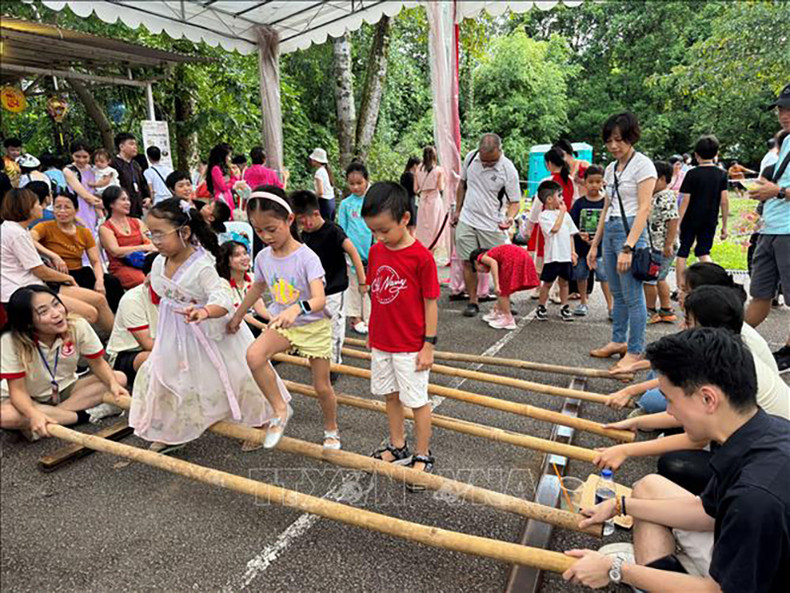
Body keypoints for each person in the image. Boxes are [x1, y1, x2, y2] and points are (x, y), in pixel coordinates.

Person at [564, 328, 790, 593]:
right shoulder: (761, 430)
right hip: (757, 553)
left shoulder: (755, 499)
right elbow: (706, 512)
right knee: (648, 487)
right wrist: (619, 505)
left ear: (708, 398)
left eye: (670, 400)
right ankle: (663, 576)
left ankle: (662, 578)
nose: (669, 410)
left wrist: (616, 569)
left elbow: (717, 591)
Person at [129, 198, 285, 454]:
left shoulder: (203, 265)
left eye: (160, 233)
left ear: (185, 232)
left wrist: (204, 311)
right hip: (175, 331)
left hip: (211, 330)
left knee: (235, 374)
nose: (155, 240)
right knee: (167, 372)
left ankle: (259, 422)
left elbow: (222, 298)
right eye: (151, 233)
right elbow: (163, 288)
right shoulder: (159, 261)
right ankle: (171, 428)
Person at [596, 286, 789, 486]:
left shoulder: (721, 367)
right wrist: (637, 420)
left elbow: (696, 438)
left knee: (674, 462)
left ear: (706, 324)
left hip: (764, 460)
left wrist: (627, 450)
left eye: (688, 320)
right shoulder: (727, 347)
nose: (682, 325)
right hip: (764, 441)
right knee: (675, 407)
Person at [229, 190, 337, 450]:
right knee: (254, 356)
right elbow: (256, 288)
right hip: (283, 324)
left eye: (271, 229)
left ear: (289, 220)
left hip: (312, 325)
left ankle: (331, 428)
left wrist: (297, 309)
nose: (265, 237)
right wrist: (237, 316)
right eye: (258, 230)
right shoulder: (264, 257)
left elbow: (320, 300)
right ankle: (280, 408)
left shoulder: (306, 257)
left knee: (321, 386)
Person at [362, 182, 439, 483]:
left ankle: (422, 453)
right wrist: (372, 329)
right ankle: (397, 445)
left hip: (410, 345)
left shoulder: (421, 258)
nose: (379, 237)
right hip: (382, 343)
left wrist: (428, 345)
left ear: (405, 219)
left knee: (417, 401)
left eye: (384, 230)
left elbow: (431, 304)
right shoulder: (377, 252)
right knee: (390, 396)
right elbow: (374, 294)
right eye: (374, 231)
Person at [0, 286, 128, 439]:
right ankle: (83, 416)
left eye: (56, 304)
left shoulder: (77, 325)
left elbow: (98, 364)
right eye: (43, 311)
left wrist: (113, 384)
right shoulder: (11, 341)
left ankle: (48, 420)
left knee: (118, 378)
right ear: (28, 322)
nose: (56, 313)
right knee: (5, 416)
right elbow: (18, 391)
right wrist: (32, 413)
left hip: (66, 388)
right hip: (27, 398)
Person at [587, 112, 656, 374]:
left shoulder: (643, 165)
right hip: (612, 229)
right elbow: (607, 207)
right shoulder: (610, 168)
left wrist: (629, 246)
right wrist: (594, 245)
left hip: (631, 236)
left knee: (633, 297)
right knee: (617, 294)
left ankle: (635, 351)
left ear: (631, 137)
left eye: (619, 140)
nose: (614, 145)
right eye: (609, 141)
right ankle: (618, 341)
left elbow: (643, 208)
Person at [0, 188, 114, 333]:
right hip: (25, 290)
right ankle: (72, 348)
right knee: (90, 313)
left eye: (67, 207)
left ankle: (116, 343)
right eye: (38, 204)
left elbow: (95, 260)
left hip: (40, 283)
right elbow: (40, 270)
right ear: (26, 207)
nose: (42, 207)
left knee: (99, 299)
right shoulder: (18, 233)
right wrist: (67, 277)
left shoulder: (18, 230)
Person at [291, 190, 367, 369]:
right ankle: (317, 355)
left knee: (334, 326)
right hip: (315, 291)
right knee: (316, 324)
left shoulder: (333, 231)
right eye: (299, 223)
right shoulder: (306, 235)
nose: (303, 226)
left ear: (315, 214)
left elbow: (353, 252)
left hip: (335, 289)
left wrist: (362, 281)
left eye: (304, 221)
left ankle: (334, 362)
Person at [746, 82, 790, 373]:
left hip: (788, 231)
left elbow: (782, 189)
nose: (784, 114)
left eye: (789, 109)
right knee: (760, 293)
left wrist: (777, 192)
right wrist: (762, 187)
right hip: (770, 227)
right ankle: (730, 336)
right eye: (781, 109)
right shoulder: (785, 141)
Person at [453, 133, 521, 318]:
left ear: (500, 151)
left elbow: (515, 201)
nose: (486, 164)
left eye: (491, 162)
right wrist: (457, 210)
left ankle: (505, 299)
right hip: (468, 218)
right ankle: (472, 301)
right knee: (467, 260)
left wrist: (510, 218)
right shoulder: (471, 158)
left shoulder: (508, 170)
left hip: (492, 223)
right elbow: (463, 184)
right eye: (484, 160)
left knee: (500, 263)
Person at [31, 191, 123, 314]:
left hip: (80, 271)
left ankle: (115, 319)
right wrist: (53, 255)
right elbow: (29, 239)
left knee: (112, 282)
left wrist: (99, 281)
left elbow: (95, 261)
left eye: (67, 207)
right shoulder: (44, 227)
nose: (62, 211)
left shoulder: (84, 232)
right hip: (58, 275)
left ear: (76, 210)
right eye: (58, 207)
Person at [675, 135, 729, 289]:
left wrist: (678, 223)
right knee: (703, 252)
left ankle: (681, 287)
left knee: (682, 252)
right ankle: (714, 283)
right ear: (716, 154)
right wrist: (724, 226)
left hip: (690, 219)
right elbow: (724, 201)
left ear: (696, 155)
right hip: (710, 219)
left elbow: (685, 200)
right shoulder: (721, 174)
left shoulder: (691, 174)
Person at [105, 253, 159, 389]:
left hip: (163, 345)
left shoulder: (178, 296)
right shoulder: (133, 300)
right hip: (128, 353)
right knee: (155, 359)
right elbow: (147, 343)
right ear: (149, 276)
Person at [569, 165, 610, 317]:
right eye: (591, 181)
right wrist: (580, 234)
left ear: (603, 182)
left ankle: (611, 306)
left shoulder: (607, 203)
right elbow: (572, 225)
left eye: (598, 181)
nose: (595, 185)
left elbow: (609, 223)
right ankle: (583, 302)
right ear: (584, 182)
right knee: (581, 275)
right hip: (581, 249)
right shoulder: (579, 203)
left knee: (604, 276)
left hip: (601, 248)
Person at [535, 180, 578, 322]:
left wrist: (572, 252)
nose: (562, 199)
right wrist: (562, 213)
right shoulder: (544, 215)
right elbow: (554, 229)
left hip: (565, 255)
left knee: (564, 282)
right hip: (552, 256)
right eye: (559, 196)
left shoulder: (565, 215)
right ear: (549, 199)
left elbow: (571, 234)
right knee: (547, 283)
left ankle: (564, 307)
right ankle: (541, 306)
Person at [338, 161, 373, 335]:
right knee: (353, 285)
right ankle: (355, 317)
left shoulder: (373, 200)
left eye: (359, 183)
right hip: (353, 253)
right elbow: (341, 230)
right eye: (352, 184)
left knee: (369, 285)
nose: (356, 187)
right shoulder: (346, 204)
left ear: (367, 180)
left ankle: (369, 317)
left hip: (371, 251)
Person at [99, 186, 157, 290]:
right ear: (111, 204)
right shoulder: (106, 228)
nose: (128, 203)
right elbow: (115, 251)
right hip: (121, 267)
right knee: (143, 279)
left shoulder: (137, 222)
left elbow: (150, 242)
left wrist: (147, 246)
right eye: (123, 200)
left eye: (128, 200)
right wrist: (143, 247)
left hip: (143, 262)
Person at [469, 244, 538, 330]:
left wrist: (496, 285)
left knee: (502, 291)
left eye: (476, 269)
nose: (481, 272)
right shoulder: (493, 253)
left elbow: (493, 263)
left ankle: (507, 319)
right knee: (505, 289)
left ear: (476, 262)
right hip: (522, 255)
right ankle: (499, 311)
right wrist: (498, 303)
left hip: (513, 259)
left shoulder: (481, 257)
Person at [644, 161, 680, 324]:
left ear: (663, 179)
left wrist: (668, 244)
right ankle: (666, 309)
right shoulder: (656, 196)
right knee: (660, 278)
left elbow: (673, 220)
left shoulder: (666, 196)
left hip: (662, 246)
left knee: (652, 279)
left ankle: (651, 310)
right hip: (657, 246)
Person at [216, 240, 269, 336]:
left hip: (253, 321)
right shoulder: (222, 284)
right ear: (227, 261)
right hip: (237, 324)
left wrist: (274, 320)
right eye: (237, 255)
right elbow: (239, 313)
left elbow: (259, 307)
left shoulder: (252, 277)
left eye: (245, 253)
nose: (244, 258)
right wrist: (263, 326)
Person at [62, 140, 104, 245]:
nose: (81, 160)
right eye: (77, 156)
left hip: (95, 207)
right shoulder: (69, 170)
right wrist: (102, 203)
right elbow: (83, 193)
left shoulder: (94, 169)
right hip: (80, 207)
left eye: (85, 157)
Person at [414, 146, 447, 253]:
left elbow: (415, 189)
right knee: (435, 228)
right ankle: (431, 252)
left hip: (423, 200)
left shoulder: (418, 169)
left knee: (423, 228)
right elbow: (441, 187)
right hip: (434, 200)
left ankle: (424, 252)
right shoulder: (439, 170)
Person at [110, 133, 150, 217]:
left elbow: (142, 183)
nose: (135, 147)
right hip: (121, 208)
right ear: (121, 147)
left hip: (137, 207)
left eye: (135, 144)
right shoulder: (113, 164)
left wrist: (147, 196)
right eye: (131, 144)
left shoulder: (135, 164)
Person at [206, 143, 237, 213]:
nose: (229, 158)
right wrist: (232, 181)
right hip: (221, 198)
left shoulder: (225, 169)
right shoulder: (216, 169)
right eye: (228, 156)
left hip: (227, 196)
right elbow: (223, 187)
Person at [309, 148, 336, 221]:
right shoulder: (325, 170)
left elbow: (320, 192)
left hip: (324, 203)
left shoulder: (319, 173)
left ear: (317, 160)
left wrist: (312, 194)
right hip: (332, 201)